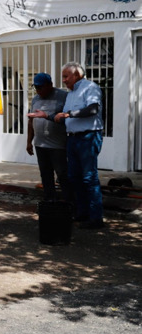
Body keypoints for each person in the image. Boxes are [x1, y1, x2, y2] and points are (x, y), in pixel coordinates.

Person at [54, 62, 104, 229]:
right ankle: (82, 214)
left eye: (66, 76)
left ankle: (96, 219)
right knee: (74, 177)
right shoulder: (70, 94)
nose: (64, 80)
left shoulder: (90, 88)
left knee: (89, 178)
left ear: (76, 75)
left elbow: (93, 110)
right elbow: (65, 117)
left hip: (88, 137)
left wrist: (70, 114)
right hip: (73, 139)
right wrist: (48, 116)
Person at [26, 72, 69, 202]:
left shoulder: (63, 96)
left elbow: (68, 117)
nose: (38, 91)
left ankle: (69, 202)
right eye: (36, 88)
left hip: (58, 145)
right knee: (45, 174)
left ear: (50, 85)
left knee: (62, 174)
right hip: (40, 145)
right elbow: (31, 121)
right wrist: (29, 142)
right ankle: (50, 201)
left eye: (41, 87)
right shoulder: (35, 99)